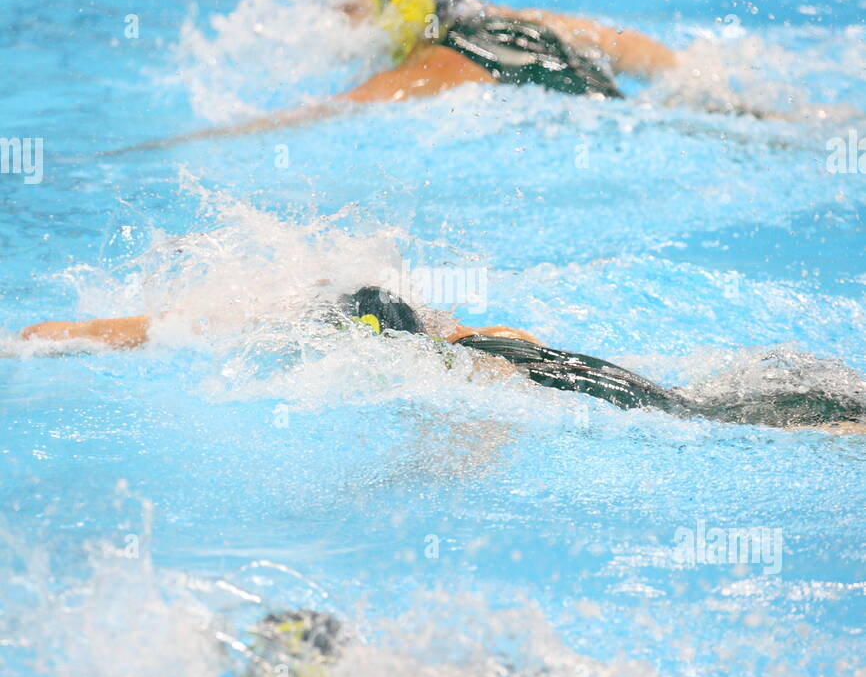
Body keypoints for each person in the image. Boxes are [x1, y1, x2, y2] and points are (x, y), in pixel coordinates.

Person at [103, 0, 676, 157]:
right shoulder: (516, 19)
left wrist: (173, 145)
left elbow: (322, 116)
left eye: (354, 8)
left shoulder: (434, 68)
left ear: (407, 12)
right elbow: (645, 55)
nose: (338, 18)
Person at [18, 285, 866, 431]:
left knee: (807, 427)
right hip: (672, 394)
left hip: (685, 417)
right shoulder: (475, 338)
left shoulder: (460, 368)